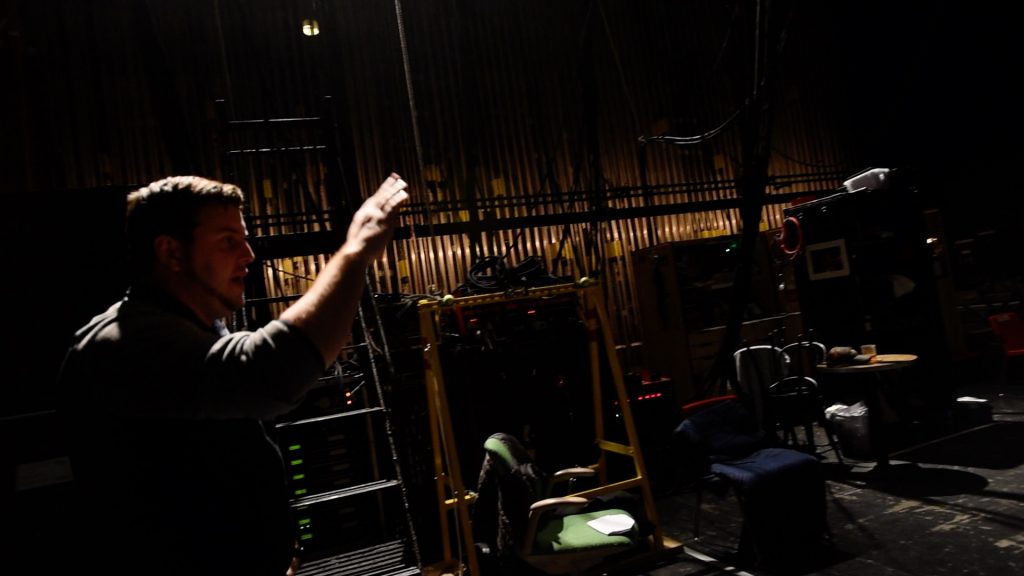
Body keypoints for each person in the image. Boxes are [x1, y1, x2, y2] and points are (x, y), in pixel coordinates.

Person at [55, 173, 409, 575]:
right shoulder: (124, 344)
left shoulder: (195, 327)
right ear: (171, 253)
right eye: (228, 241)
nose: (248, 255)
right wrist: (355, 252)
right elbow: (271, 372)